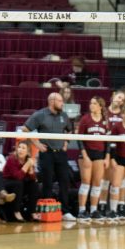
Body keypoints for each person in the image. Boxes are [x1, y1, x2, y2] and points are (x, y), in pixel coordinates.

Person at [21, 91, 75, 219]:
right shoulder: (41, 114)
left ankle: (65, 211)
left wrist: (66, 142)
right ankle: (47, 211)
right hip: (47, 154)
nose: (62, 103)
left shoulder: (64, 115)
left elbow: (70, 130)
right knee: (47, 183)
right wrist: (37, 144)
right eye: (60, 101)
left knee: (64, 181)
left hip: (60, 153)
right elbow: (25, 129)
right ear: (52, 101)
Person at [76, 96, 109, 221]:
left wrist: (106, 157)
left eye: (94, 103)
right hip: (86, 154)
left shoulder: (105, 121)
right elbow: (79, 139)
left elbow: (108, 141)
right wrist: (85, 156)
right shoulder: (85, 119)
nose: (91, 105)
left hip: (99, 155)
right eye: (91, 103)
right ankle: (82, 210)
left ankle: (94, 210)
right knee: (85, 182)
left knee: (97, 183)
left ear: (100, 106)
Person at [1, 140, 39, 221]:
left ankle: (32, 212)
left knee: (34, 184)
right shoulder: (11, 159)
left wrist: (31, 169)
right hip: (7, 183)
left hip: (20, 184)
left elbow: (33, 178)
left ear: (28, 152)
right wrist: (27, 165)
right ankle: (16, 211)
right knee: (19, 183)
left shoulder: (27, 160)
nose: (20, 150)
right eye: (19, 147)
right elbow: (17, 176)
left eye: (23, 148)